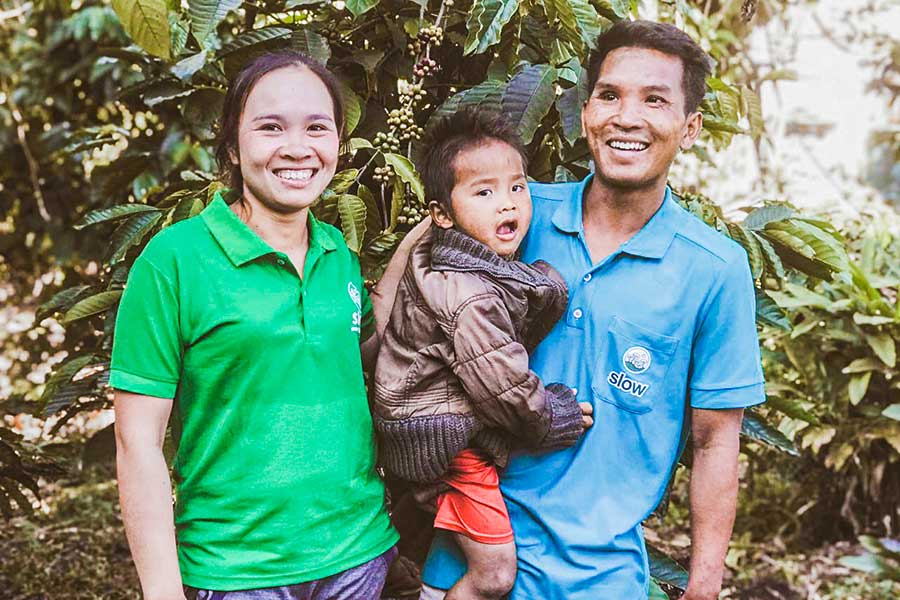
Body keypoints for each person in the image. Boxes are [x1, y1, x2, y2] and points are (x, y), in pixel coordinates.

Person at [419, 20, 766, 600]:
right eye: (610, 95)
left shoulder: (715, 268)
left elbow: (713, 441)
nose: (627, 117)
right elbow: (426, 259)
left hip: (600, 579)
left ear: (690, 128)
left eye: (655, 100)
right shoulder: (513, 215)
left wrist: (704, 583)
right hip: (469, 563)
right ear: (586, 116)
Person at [111, 51, 417, 599]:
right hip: (236, 573)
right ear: (232, 145)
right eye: (270, 127)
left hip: (358, 555)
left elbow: (360, 355)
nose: (297, 148)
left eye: (317, 128)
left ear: (338, 146)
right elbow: (137, 444)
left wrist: (421, 244)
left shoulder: (337, 253)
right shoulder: (173, 261)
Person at [372, 110, 593, 600]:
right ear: (442, 215)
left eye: (517, 187)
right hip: (448, 439)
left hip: (422, 424)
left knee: (415, 536)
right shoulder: (470, 295)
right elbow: (502, 386)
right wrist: (550, 415)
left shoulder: (454, 258)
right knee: (494, 574)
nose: (507, 204)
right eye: (484, 192)